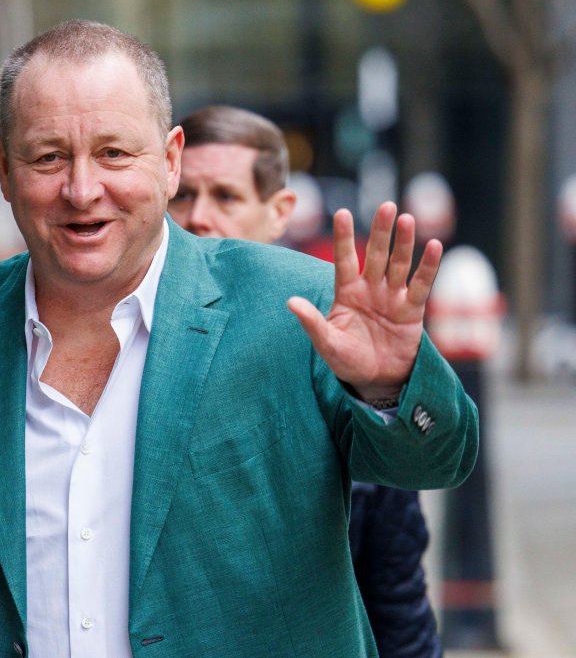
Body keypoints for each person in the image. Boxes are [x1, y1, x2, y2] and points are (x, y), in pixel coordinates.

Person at [0, 20, 477, 658]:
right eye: (48, 157)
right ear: (2, 167)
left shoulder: (297, 310)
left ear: (170, 160)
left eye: (114, 153)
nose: (82, 189)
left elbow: (438, 456)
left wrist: (392, 383)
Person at [169, 104, 443, 658]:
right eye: (182, 195)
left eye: (225, 196)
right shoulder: (122, 348)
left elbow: (395, 599)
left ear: (279, 212)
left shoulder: (338, 355)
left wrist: (386, 389)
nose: (199, 217)